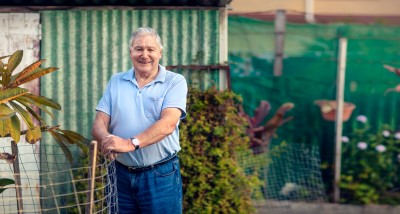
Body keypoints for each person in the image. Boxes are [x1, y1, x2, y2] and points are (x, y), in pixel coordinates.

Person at [92, 27, 188, 213]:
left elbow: (168, 124)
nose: (145, 55)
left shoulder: (174, 82)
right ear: (130, 53)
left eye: (150, 49)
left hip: (160, 175)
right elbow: (99, 122)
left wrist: (129, 143)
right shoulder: (116, 81)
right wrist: (107, 141)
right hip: (120, 175)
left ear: (160, 53)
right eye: (139, 49)